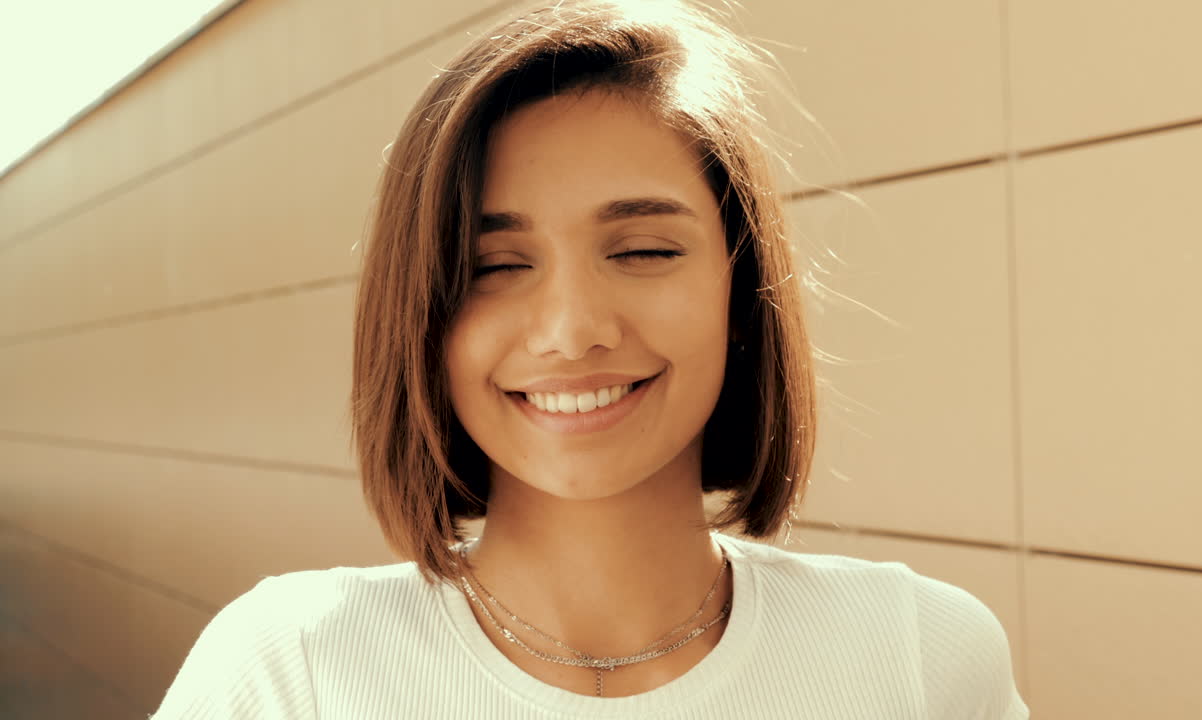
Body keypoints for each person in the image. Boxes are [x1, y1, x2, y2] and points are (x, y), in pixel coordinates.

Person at [153, 0, 1030, 717]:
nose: (572, 330)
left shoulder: (921, 653)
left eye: (644, 250)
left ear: (742, 287)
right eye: (494, 266)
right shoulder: (291, 669)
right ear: (420, 314)